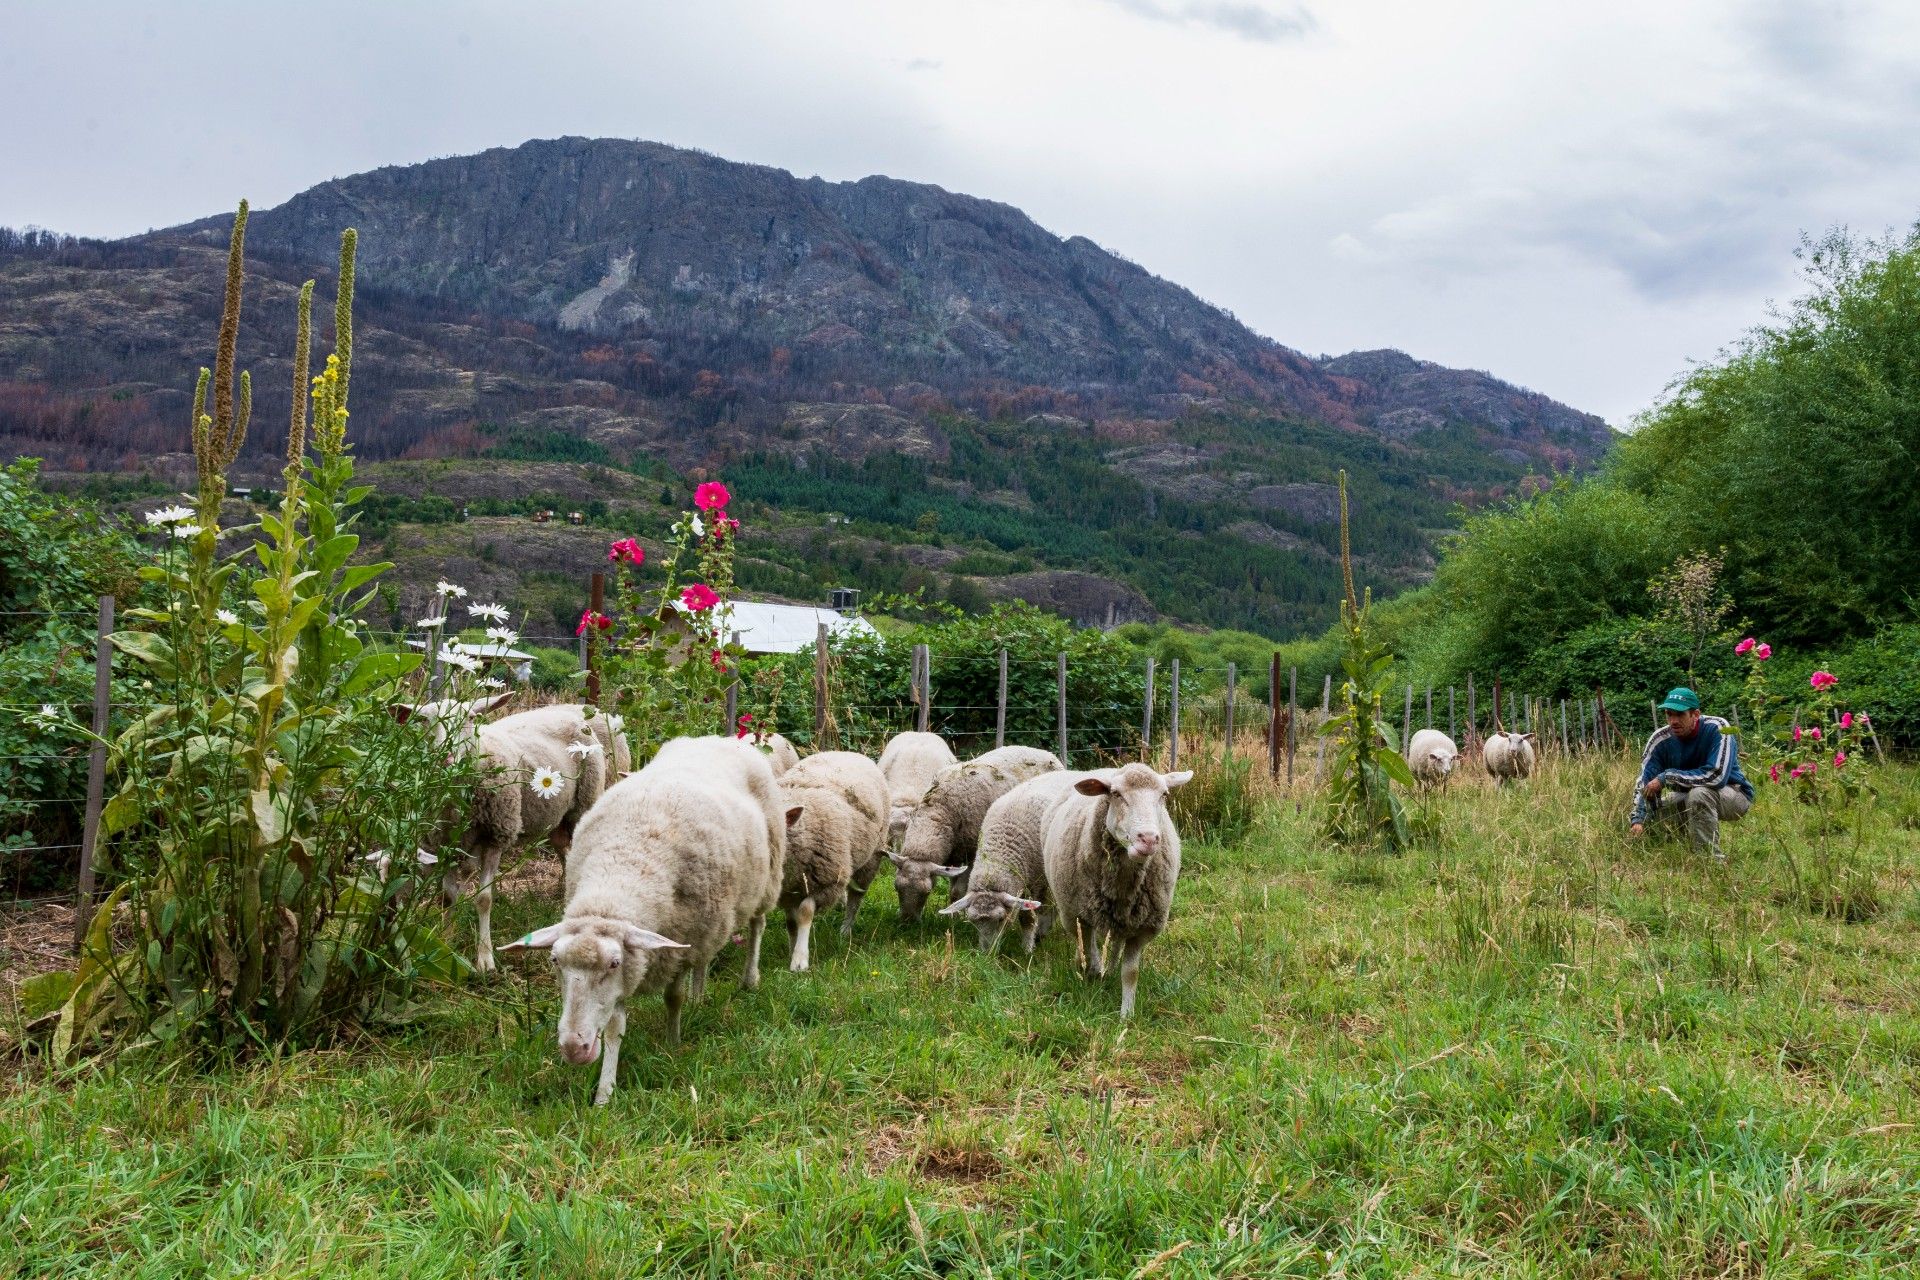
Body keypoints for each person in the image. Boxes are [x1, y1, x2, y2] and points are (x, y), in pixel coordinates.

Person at [1629, 686, 1753, 858]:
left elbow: (1716, 776)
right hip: (1688, 794)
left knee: (1699, 795)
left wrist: (1667, 777)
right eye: (1669, 714)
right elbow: (1645, 781)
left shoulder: (1718, 728)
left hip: (1733, 794)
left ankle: (1709, 861)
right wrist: (1639, 819)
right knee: (1656, 814)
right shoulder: (1660, 739)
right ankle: (1672, 856)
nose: (1673, 721)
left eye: (1679, 714)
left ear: (1695, 714)